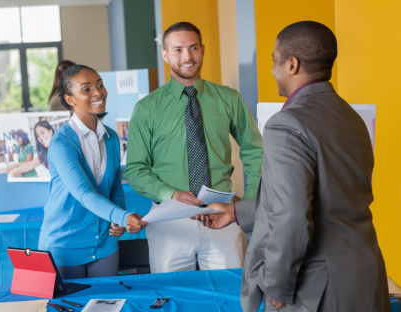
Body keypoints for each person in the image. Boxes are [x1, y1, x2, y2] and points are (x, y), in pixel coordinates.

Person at [195, 21, 390, 312]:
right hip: (365, 277)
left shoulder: (287, 123)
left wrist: (277, 283)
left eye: (274, 60)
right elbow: (330, 195)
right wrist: (237, 211)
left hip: (319, 288)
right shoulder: (350, 115)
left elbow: (293, 215)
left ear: (292, 65)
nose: (273, 69)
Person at [123, 22, 263, 273]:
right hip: (169, 222)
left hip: (221, 216)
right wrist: (172, 194)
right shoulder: (147, 108)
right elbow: (135, 170)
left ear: (203, 50)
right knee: (172, 298)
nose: (187, 56)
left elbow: (255, 152)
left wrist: (246, 207)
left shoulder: (229, 98)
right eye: (177, 50)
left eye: (193, 47)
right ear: (165, 55)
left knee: (228, 296)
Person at [39, 64, 148, 279]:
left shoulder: (111, 137)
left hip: (105, 242)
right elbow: (84, 193)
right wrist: (124, 216)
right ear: (70, 99)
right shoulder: (62, 143)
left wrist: (118, 217)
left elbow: (114, 186)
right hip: (65, 243)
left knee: (106, 304)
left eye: (100, 85)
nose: (98, 92)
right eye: (86, 89)